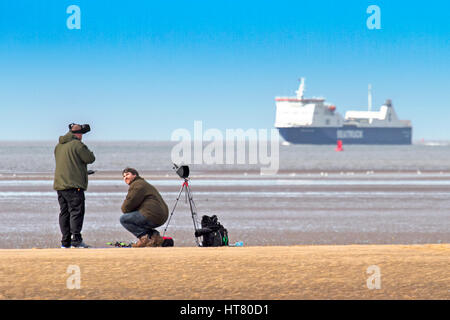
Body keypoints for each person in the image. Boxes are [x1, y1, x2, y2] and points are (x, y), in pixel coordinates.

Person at [53, 123, 95, 248]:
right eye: (82, 133)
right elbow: (90, 158)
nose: (82, 136)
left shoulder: (58, 146)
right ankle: (76, 240)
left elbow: (69, 164)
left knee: (64, 212)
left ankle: (65, 242)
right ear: (78, 134)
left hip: (60, 184)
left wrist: (81, 171)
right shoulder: (78, 145)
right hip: (74, 185)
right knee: (76, 212)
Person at [120, 167, 169, 247]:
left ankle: (143, 238)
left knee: (124, 219)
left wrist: (129, 209)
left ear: (134, 175)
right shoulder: (142, 183)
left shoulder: (137, 185)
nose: (125, 177)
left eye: (127, 174)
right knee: (135, 217)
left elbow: (126, 207)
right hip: (161, 215)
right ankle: (155, 236)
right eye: (124, 176)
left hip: (153, 215)